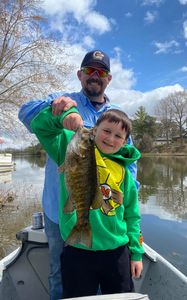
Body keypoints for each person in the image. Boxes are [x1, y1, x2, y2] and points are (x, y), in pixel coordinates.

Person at [18, 50, 138, 300]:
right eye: (90, 71)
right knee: (62, 275)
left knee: (100, 281)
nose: (95, 76)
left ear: (109, 78)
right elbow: (26, 113)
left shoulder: (118, 117)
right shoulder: (64, 100)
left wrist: (120, 212)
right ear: (80, 75)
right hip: (59, 212)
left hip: (107, 222)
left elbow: (129, 171)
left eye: (101, 72)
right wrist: (61, 113)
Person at [30, 107, 144, 298]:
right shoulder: (70, 148)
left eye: (118, 136)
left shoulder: (124, 173)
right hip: (78, 252)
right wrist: (64, 117)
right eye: (106, 131)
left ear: (125, 141)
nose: (111, 138)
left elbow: (132, 216)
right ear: (95, 130)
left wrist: (137, 253)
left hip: (117, 252)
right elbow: (39, 126)